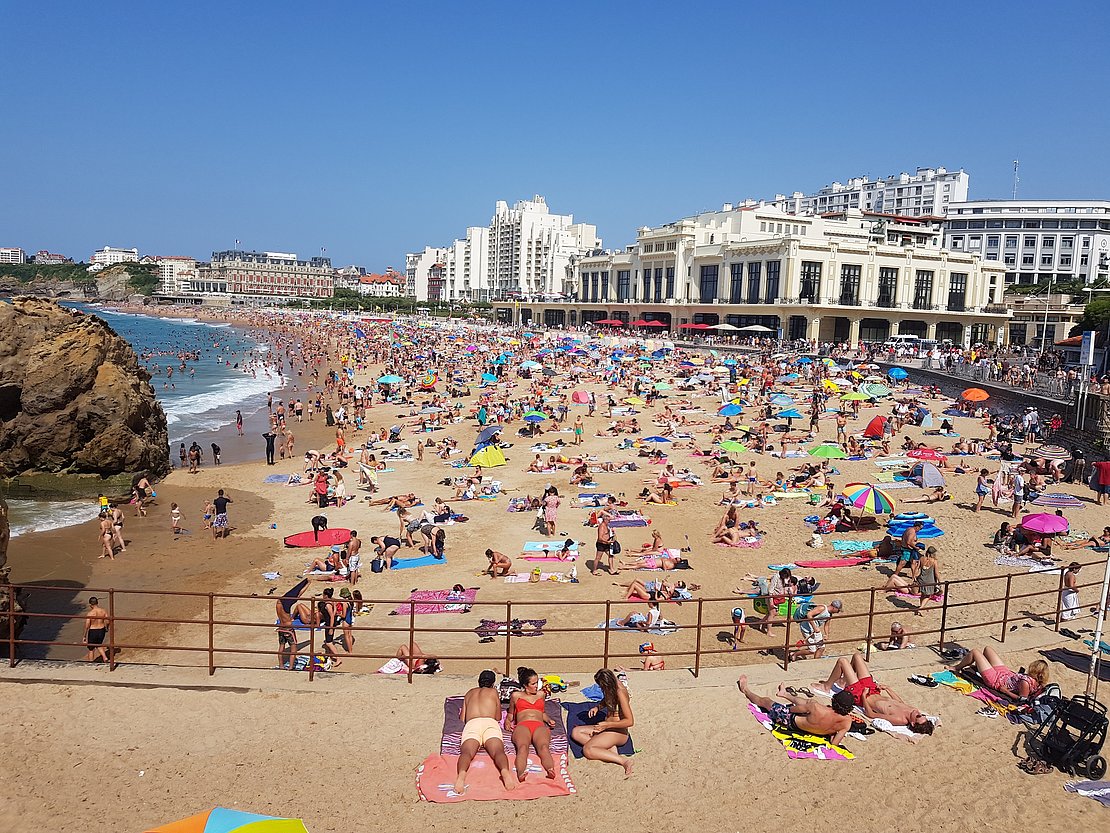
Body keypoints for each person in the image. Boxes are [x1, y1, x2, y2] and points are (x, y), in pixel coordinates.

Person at [812, 655, 935, 734]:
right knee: (857, 657)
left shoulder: (899, 719)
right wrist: (888, 689)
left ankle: (826, 687)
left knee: (842, 661)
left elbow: (870, 714)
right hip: (873, 690)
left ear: (913, 723)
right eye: (922, 714)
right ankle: (844, 681)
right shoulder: (913, 710)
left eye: (919, 716)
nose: (919, 713)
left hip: (861, 695)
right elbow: (900, 703)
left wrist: (864, 697)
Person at [736, 675, 853, 746]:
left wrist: (800, 710)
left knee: (766, 702)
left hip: (792, 723)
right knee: (809, 704)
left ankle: (746, 690)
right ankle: (785, 694)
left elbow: (791, 709)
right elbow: (834, 743)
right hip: (816, 729)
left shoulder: (817, 708)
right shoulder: (847, 721)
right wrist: (831, 730)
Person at [455, 670, 516, 794]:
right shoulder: (493, 692)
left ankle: (461, 777)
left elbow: (463, 718)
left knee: (467, 752)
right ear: (493, 684)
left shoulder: (469, 693)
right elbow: (498, 716)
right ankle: (505, 772)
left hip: (472, 723)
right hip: (489, 723)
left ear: (479, 682)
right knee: (498, 751)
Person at [569, 669, 634, 776]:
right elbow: (607, 699)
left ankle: (623, 761)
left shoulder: (620, 693)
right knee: (576, 732)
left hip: (618, 732)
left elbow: (630, 721)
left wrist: (607, 725)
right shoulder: (611, 688)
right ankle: (608, 747)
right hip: (607, 728)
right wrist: (598, 707)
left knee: (588, 750)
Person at [506, 666, 558, 782]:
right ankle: (521, 773)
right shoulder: (516, 696)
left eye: (537, 682)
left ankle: (550, 769)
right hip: (523, 725)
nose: (537, 686)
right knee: (523, 748)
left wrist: (549, 720)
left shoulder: (541, 695)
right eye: (533, 684)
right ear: (525, 685)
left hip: (539, 725)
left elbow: (542, 712)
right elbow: (510, 713)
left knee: (544, 747)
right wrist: (507, 721)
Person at [950, 648, 1050, 702]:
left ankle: (957, 668)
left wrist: (1006, 691)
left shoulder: (1026, 682)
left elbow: (1022, 699)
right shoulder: (1039, 683)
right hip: (1006, 674)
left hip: (996, 680)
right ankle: (981, 665)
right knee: (987, 649)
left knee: (975, 652)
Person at [84, 596, 109, 663]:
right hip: (101, 629)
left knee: (91, 649)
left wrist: (84, 635)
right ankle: (105, 657)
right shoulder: (103, 611)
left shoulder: (90, 613)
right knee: (99, 644)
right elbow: (107, 620)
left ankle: (91, 663)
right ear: (97, 603)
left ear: (90, 605)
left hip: (93, 630)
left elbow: (87, 625)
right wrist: (107, 627)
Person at [276, 597, 297, 670]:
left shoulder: (278, 605)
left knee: (281, 647)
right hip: (288, 630)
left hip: (281, 629)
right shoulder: (286, 609)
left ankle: (281, 665)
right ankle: (291, 667)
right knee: (293, 648)